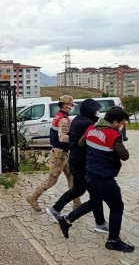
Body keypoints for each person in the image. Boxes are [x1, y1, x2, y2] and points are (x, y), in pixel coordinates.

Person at [58, 106, 134, 252]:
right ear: (115, 122)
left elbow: (81, 143)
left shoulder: (91, 128)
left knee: (95, 201)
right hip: (104, 178)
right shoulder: (113, 134)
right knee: (117, 207)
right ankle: (113, 241)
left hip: (90, 174)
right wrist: (114, 138)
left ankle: (67, 221)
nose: (123, 125)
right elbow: (125, 155)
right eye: (122, 122)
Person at [46, 99, 108, 232]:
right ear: (89, 110)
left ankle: (55, 209)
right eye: (95, 110)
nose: (97, 112)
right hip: (82, 163)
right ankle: (100, 223)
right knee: (95, 194)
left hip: (75, 160)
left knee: (78, 190)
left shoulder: (78, 119)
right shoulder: (88, 123)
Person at [26, 95, 80, 211]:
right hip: (59, 155)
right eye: (71, 105)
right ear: (66, 105)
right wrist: (75, 138)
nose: (72, 107)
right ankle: (33, 197)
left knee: (72, 177)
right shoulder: (64, 119)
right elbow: (62, 138)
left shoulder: (59, 116)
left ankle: (77, 204)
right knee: (52, 180)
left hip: (63, 154)